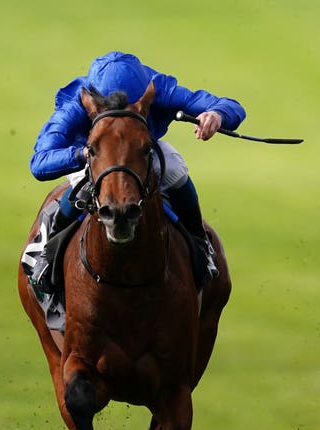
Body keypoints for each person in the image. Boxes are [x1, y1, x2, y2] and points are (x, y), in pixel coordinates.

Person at [26, 51, 245, 292]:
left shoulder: (158, 87)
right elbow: (40, 163)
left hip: (139, 149)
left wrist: (216, 115)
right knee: (81, 186)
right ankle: (46, 252)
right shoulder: (76, 105)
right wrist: (82, 155)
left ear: (145, 96)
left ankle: (200, 244)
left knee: (174, 167)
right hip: (95, 153)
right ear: (95, 103)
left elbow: (231, 105)